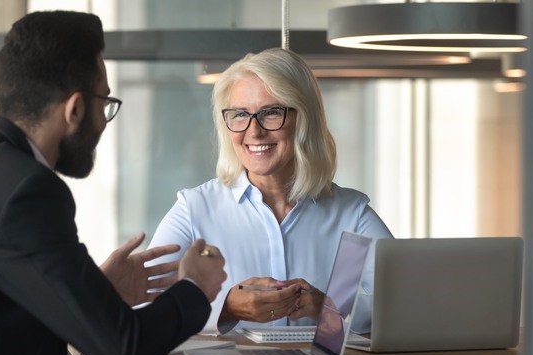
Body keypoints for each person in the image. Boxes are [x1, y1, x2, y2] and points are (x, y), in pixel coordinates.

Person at [0, 11, 227, 355]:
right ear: (74, 110)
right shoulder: (25, 192)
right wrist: (195, 287)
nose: (104, 122)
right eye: (104, 103)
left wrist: (95, 296)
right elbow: (124, 347)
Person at [146, 48, 393, 335]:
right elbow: (147, 311)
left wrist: (326, 307)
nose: (254, 131)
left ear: (304, 119)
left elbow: (402, 306)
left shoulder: (351, 214)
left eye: (271, 112)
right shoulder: (195, 209)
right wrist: (226, 308)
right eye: (240, 114)